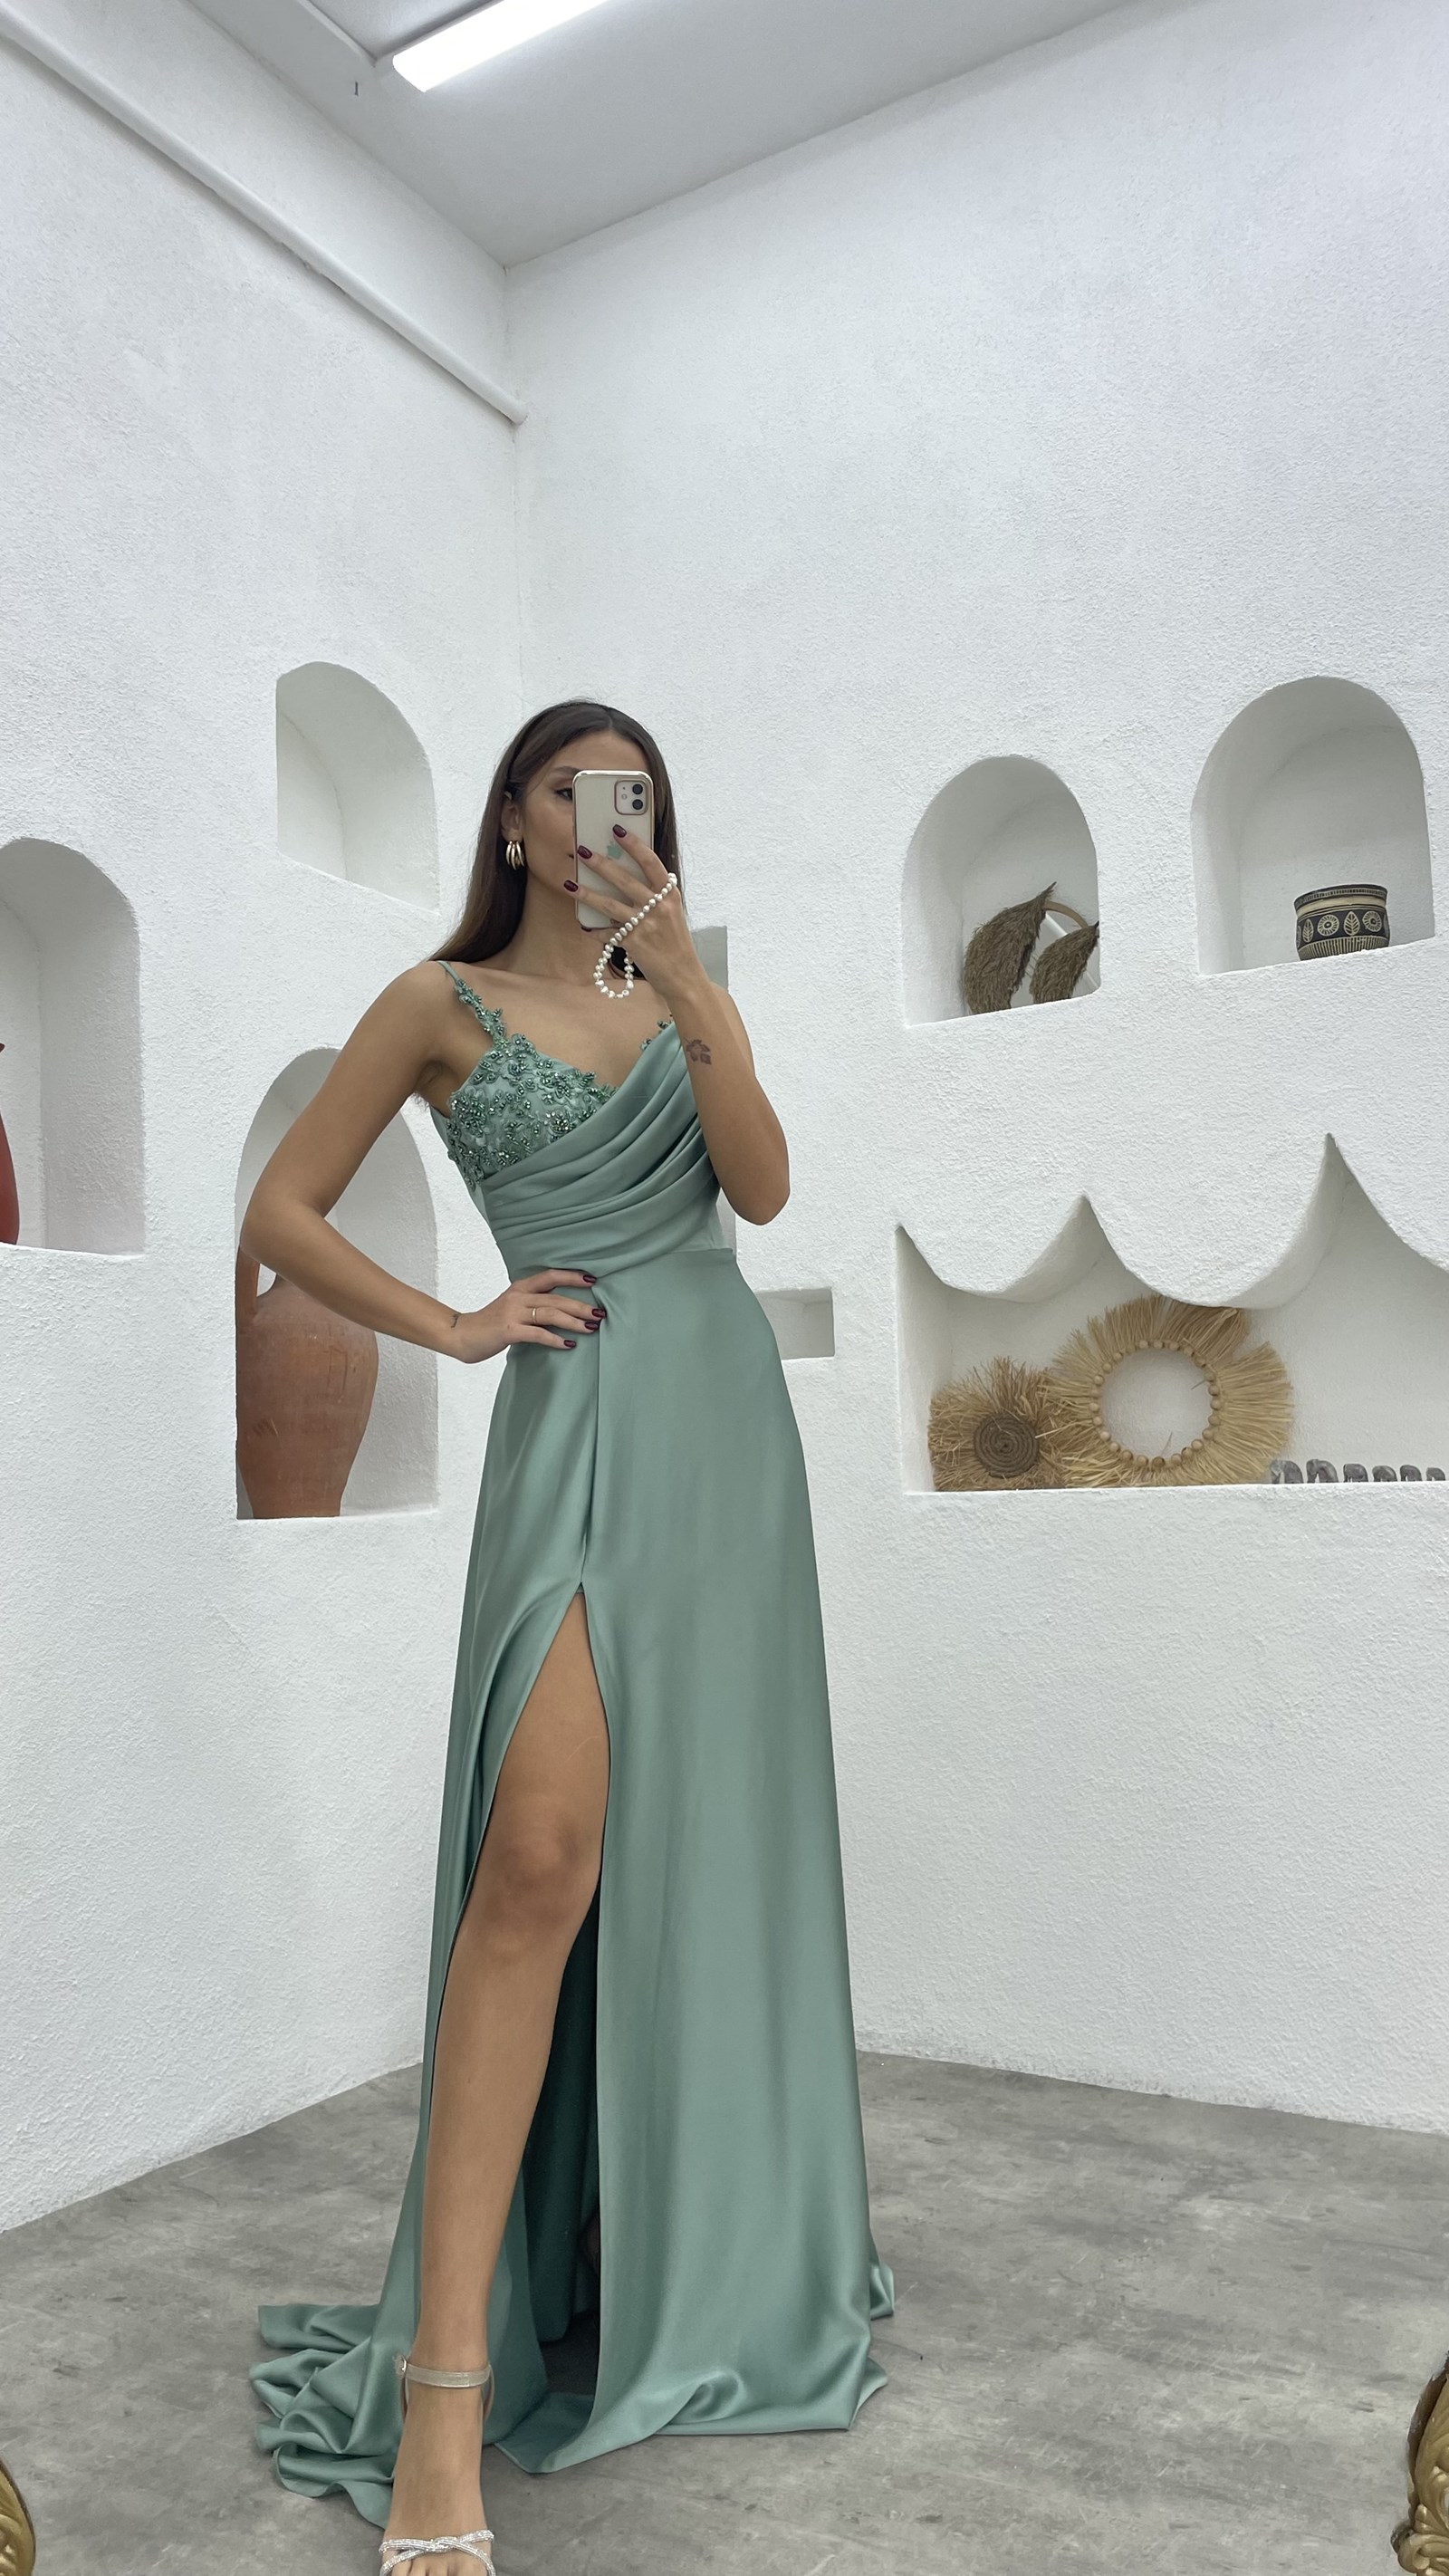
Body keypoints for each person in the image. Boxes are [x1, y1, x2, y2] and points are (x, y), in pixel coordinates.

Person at [245, 700, 895, 2575]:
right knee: (534, 1862)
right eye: (577, 792)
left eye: (640, 802)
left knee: (690, 1858)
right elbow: (283, 1209)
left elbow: (761, 1190)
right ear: (517, 822)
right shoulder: (436, 1004)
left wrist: (690, 987)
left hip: (719, 1428)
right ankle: (445, 2385)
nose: (612, 822)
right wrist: (457, 1326)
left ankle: (690, 2248)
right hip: (579, 1413)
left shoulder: (685, 990)